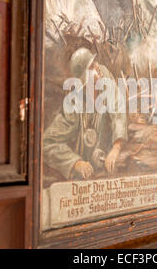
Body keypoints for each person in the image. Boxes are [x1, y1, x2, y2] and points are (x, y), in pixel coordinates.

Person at [43, 48, 128, 180]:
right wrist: (75, 163)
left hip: (106, 167)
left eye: (95, 62)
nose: (97, 66)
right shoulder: (74, 104)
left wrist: (116, 147)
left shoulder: (105, 78)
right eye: (91, 66)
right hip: (85, 176)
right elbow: (47, 143)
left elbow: (118, 111)